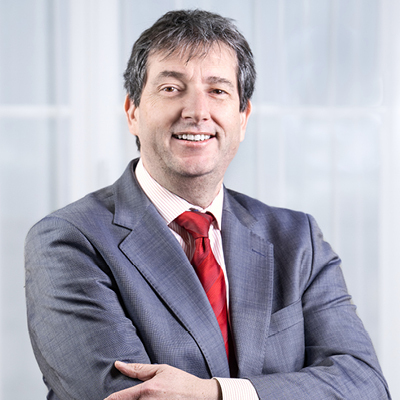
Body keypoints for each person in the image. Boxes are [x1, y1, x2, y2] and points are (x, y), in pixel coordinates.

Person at [25, 9, 391, 400]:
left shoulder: (298, 240)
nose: (197, 112)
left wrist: (216, 393)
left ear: (243, 117)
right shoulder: (68, 241)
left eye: (217, 91)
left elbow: (365, 385)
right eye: (171, 88)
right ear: (133, 112)